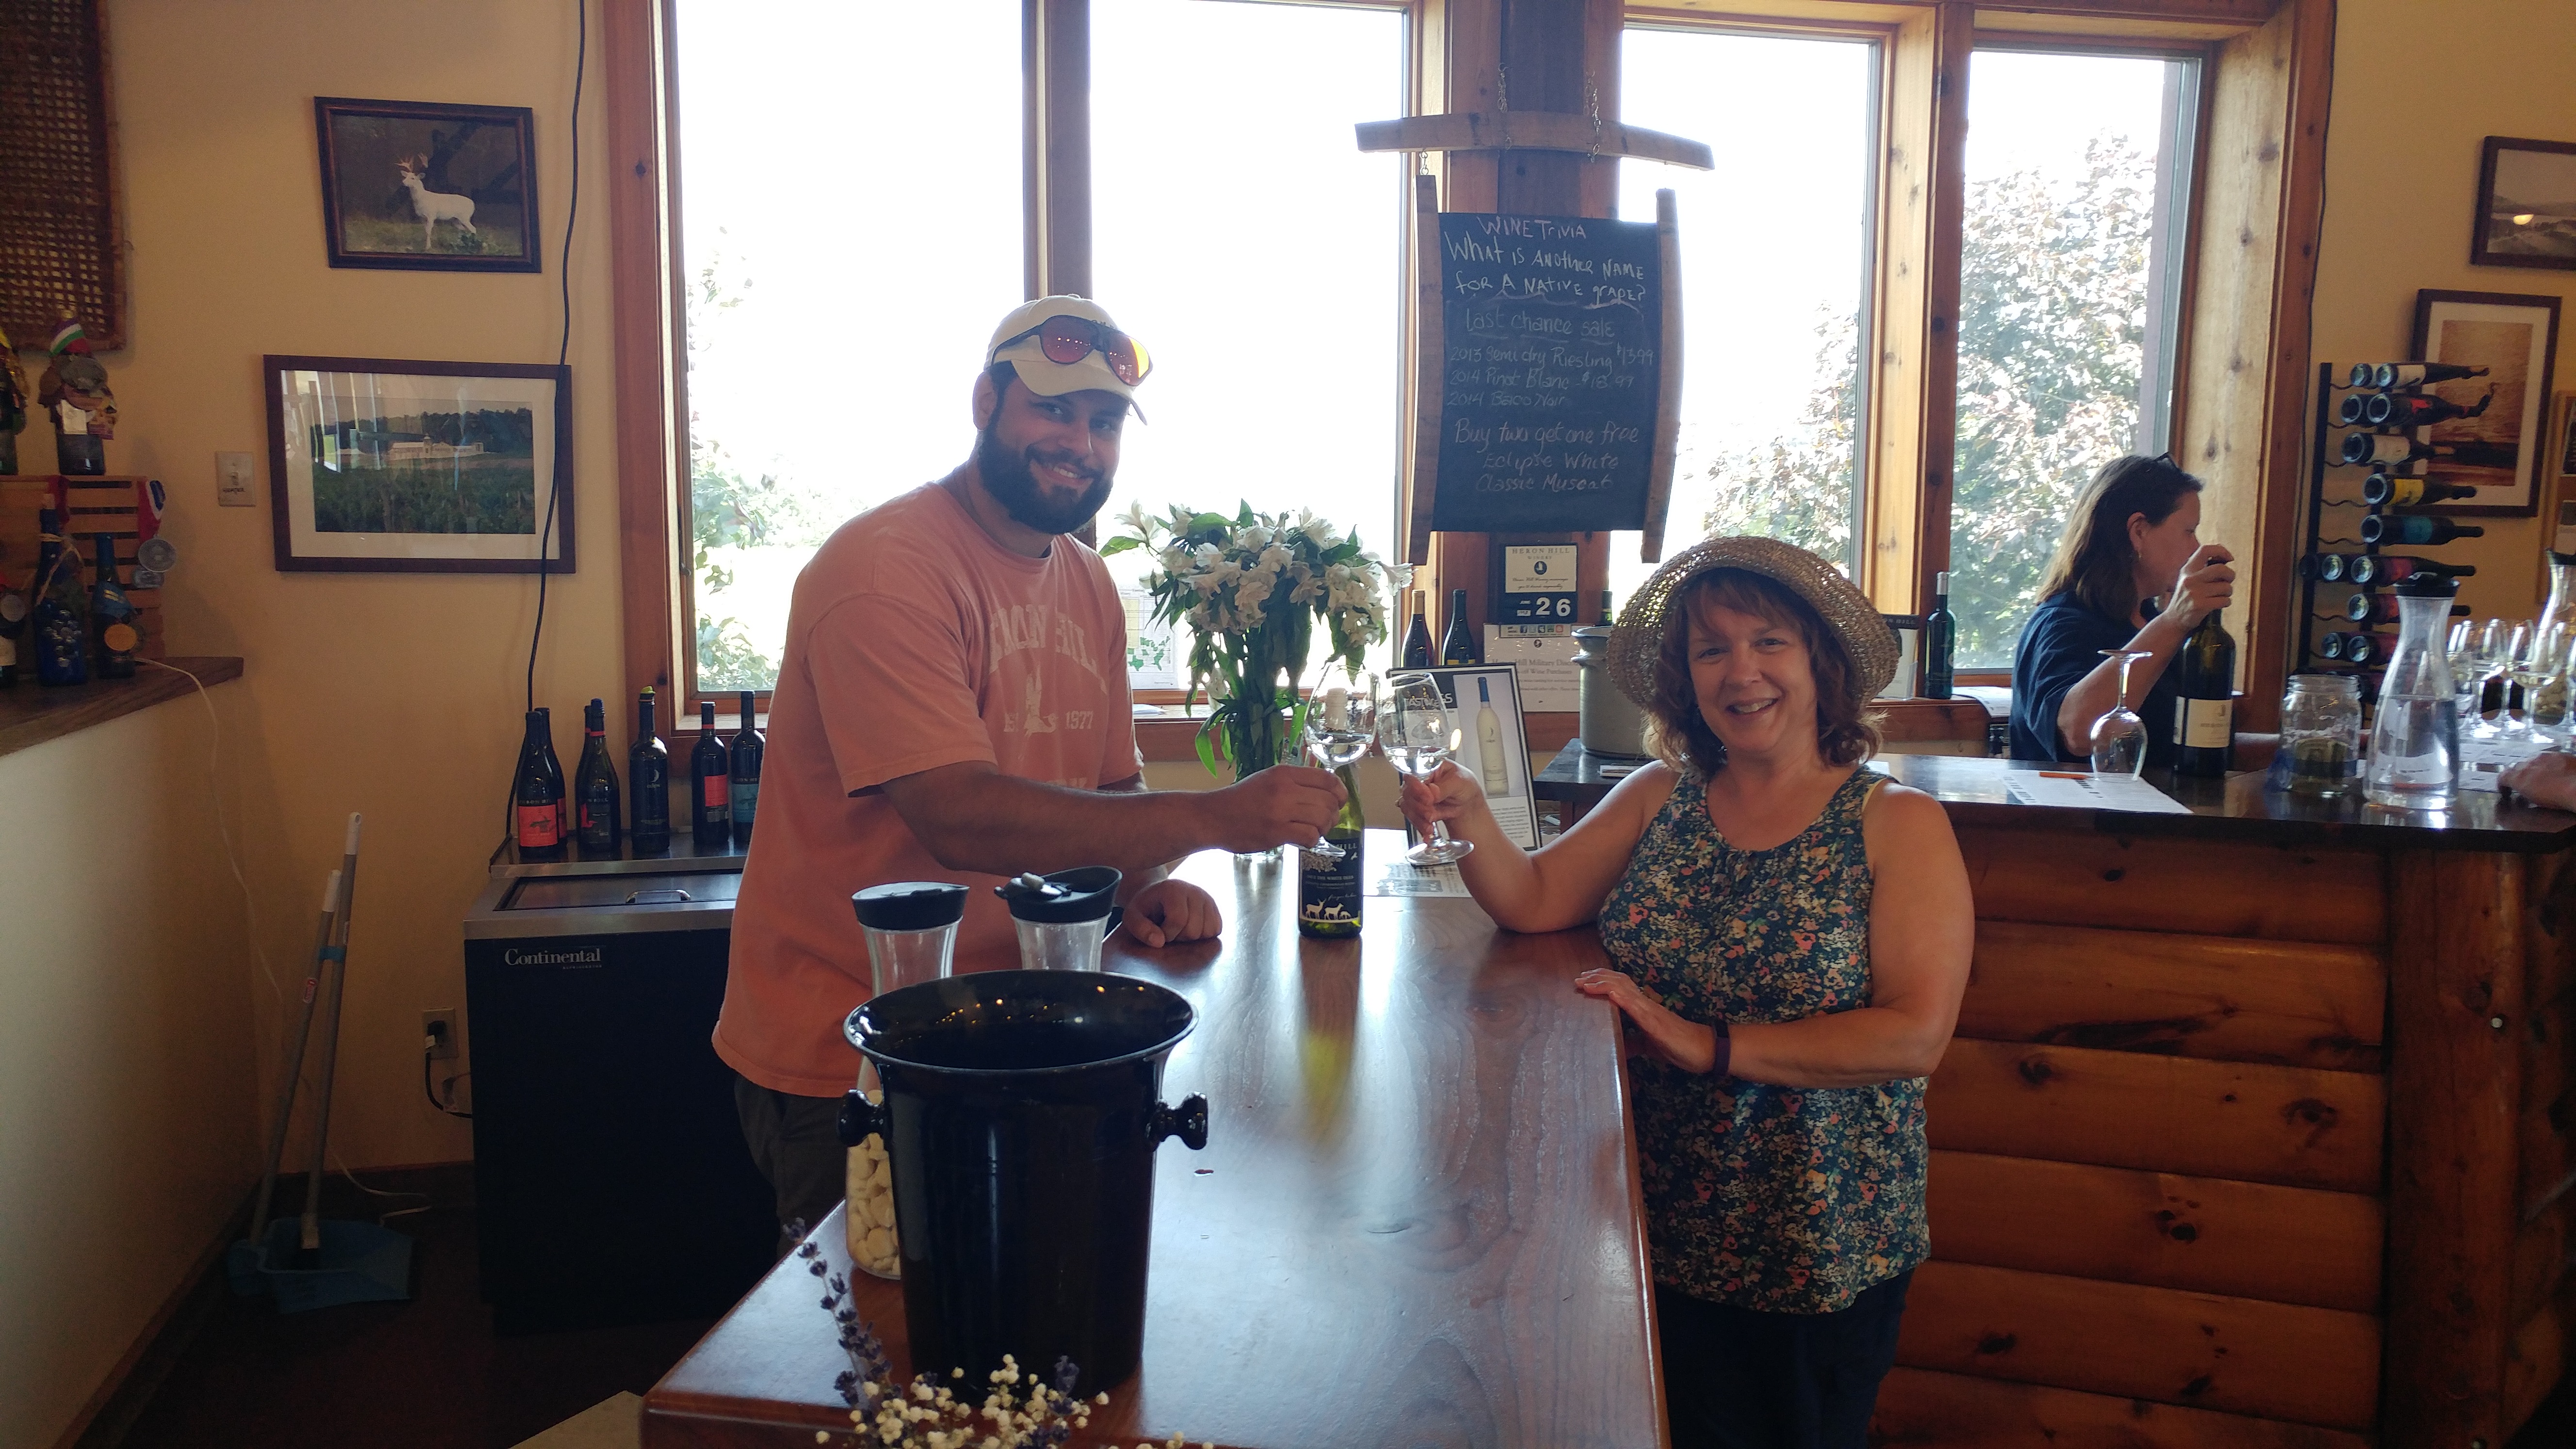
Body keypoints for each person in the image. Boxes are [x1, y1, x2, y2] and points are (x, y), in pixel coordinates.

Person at [717, 296, 1349, 1242]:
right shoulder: (884, 569)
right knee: (872, 1360)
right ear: (984, 402)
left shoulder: (1088, 580)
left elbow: (1107, 794)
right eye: (1052, 410)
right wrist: (1214, 819)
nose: (1080, 444)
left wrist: (1135, 891)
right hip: (856, 1048)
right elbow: (957, 817)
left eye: (1103, 424)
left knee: (1010, 1339)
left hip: (1019, 1030)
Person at [1396, 536, 1974, 1448]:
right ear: (1685, 679)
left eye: (1768, 641)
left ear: (1819, 660)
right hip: (1641, 1222)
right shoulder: (1660, 790)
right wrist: (1468, 812)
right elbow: (1535, 898)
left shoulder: (1896, 822)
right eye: (1711, 651)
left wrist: (1710, 1043)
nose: (1741, 672)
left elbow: (1912, 1035)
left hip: (1808, 1243)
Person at [2010, 454, 2234, 768]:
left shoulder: (2151, 622)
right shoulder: (2061, 622)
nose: (2196, 547)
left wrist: (2293, 744)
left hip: (2163, 812)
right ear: (2139, 531)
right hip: (2078, 816)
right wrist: (2175, 621)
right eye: (2189, 531)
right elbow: (2080, 732)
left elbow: (2185, 739)